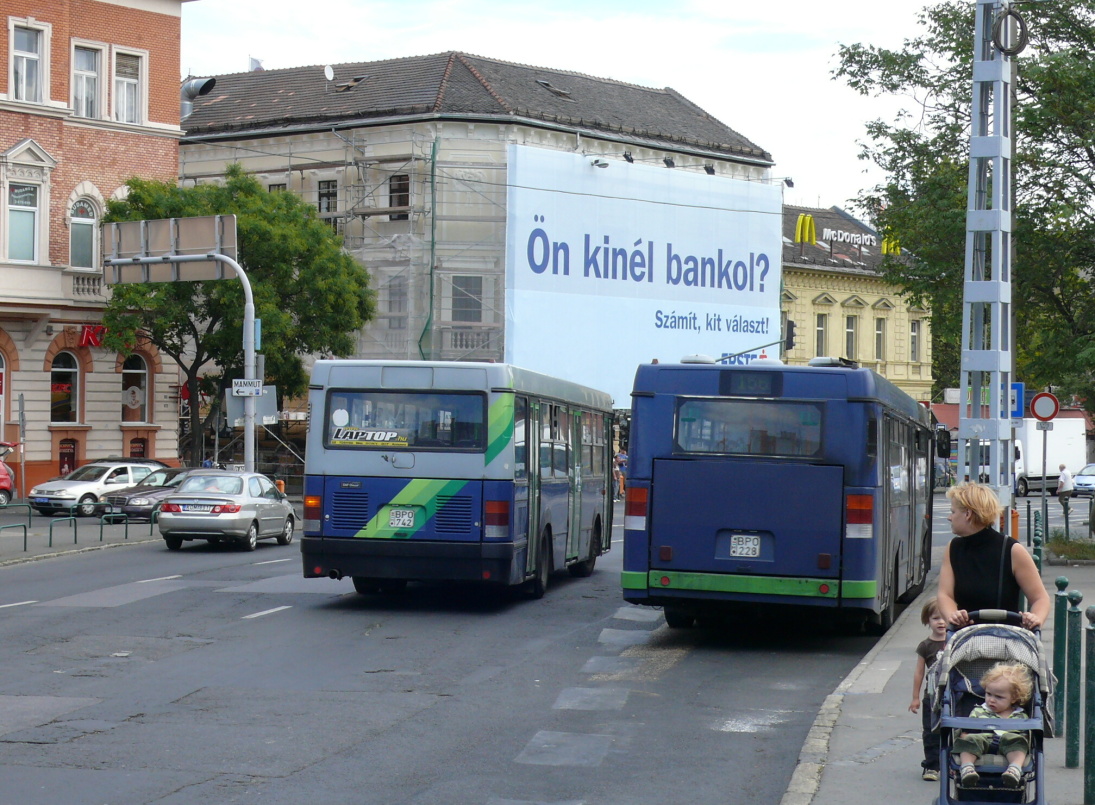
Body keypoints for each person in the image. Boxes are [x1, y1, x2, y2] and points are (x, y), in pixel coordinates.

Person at [937, 483, 1049, 631]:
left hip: (1005, 641)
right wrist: (953, 616)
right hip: (964, 639)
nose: (949, 517)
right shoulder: (953, 548)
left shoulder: (1012, 549)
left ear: (968, 514)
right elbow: (945, 595)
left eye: (953, 512)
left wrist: (1036, 618)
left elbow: (1040, 597)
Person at [953, 662, 1033, 788]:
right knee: (968, 740)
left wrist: (1023, 741)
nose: (991, 700)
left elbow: (1025, 738)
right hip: (982, 740)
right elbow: (966, 732)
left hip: (1008, 743)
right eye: (988, 694)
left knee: (1019, 742)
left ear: (1013, 698)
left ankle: (1014, 768)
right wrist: (966, 739)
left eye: (999, 697)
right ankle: (967, 767)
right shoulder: (979, 710)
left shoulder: (1020, 716)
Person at [909, 596, 948, 782]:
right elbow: (918, 673)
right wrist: (915, 698)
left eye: (944, 617)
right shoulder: (925, 646)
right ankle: (932, 766)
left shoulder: (956, 640)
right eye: (935, 618)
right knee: (931, 732)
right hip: (932, 697)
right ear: (927, 620)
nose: (941, 622)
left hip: (953, 695)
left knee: (954, 730)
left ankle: (952, 764)